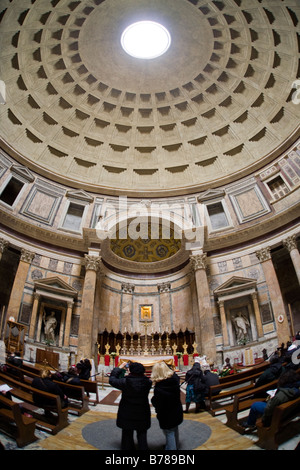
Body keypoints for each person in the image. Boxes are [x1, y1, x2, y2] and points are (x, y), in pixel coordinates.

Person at [109, 361, 152, 450]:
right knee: (142, 436)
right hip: (142, 412)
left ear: (130, 371)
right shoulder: (148, 382)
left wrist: (119, 368)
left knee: (127, 436)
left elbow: (112, 379)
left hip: (127, 412)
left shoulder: (125, 382)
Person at [151, 361, 183, 450]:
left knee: (169, 433)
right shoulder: (175, 381)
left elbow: (158, 403)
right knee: (174, 430)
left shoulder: (159, 388)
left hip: (166, 414)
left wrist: (153, 400)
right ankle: (174, 446)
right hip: (176, 411)